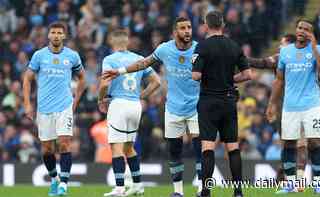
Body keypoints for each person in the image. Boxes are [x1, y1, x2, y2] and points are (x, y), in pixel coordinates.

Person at [103, 17, 203, 197]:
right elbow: (145, 64)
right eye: (183, 28)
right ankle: (177, 191)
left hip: (196, 105)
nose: (187, 31)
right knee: (174, 149)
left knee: (199, 146)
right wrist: (122, 72)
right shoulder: (164, 48)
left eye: (189, 27)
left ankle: (203, 186)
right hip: (172, 107)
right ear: (175, 32)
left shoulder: (199, 49)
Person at [267, 19, 320, 194]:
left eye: (306, 29)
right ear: (295, 30)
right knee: (288, 144)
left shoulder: (319, 49)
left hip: (311, 106)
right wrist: (272, 103)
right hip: (289, 107)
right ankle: (289, 184)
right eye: (300, 27)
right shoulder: (286, 52)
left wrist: (315, 46)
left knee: (315, 143)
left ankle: (317, 184)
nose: (302, 31)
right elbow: (279, 80)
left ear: (311, 33)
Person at [192, 11, 252, 197]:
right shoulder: (234, 46)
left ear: (206, 25)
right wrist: (229, 78)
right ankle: (238, 191)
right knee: (232, 147)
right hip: (228, 101)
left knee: (208, 147)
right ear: (223, 24)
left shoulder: (202, 47)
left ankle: (206, 190)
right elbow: (248, 74)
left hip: (209, 101)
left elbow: (196, 76)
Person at [22, 22, 86, 196]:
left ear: (64, 36)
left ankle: (64, 184)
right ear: (48, 35)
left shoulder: (72, 56)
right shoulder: (39, 55)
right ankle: (54, 179)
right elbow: (27, 79)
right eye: (53, 32)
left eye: (59, 32)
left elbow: (82, 78)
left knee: (65, 144)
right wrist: (27, 104)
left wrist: (75, 100)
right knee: (47, 149)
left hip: (64, 106)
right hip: (44, 108)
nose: (56, 35)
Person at [99, 29, 161, 197]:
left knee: (116, 147)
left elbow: (104, 84)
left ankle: (119, 188)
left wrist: (100, 99)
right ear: (127, 42)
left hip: (118, 104)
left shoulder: (109, 59)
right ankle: (138, 185)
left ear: (112, 41)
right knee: (129, 148)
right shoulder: (139, 59)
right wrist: (141, 96)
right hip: (135, 105)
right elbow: (157, 82)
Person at [248, 34, 309, 187]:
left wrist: (241, 58)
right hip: (302, 106)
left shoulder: (281, 57)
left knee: (289, 145)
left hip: (287, 109)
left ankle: (286, 178)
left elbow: (262, 63)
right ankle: (295, 179)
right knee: (300, 144)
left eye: (282, 44)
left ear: (289, 45)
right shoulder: (305, 58)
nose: (279, 47)